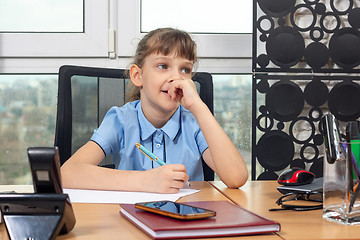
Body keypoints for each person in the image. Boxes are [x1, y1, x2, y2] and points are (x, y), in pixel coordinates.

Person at [61, 28, 248, 193]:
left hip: (186, 221)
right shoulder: (121, 120)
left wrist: (197, 106)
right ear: (137, 75)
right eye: (163, 66)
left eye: (185, 70)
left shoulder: (194, 122)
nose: (176, 77)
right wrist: (146, 181)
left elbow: (236, 177)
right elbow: (67, 174)